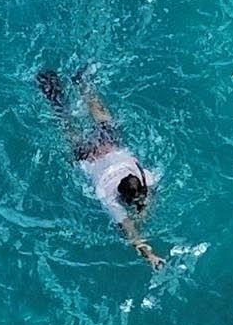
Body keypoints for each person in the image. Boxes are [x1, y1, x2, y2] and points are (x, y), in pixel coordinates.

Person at [38, 69, 164, 269]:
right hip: (91, 156)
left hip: (105, 147)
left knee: (100, 122)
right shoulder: (109, 195)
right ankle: (66, 88)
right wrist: (150, 256)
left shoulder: (141, 177)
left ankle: (77, 85)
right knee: (70, 126)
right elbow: (130, 231)